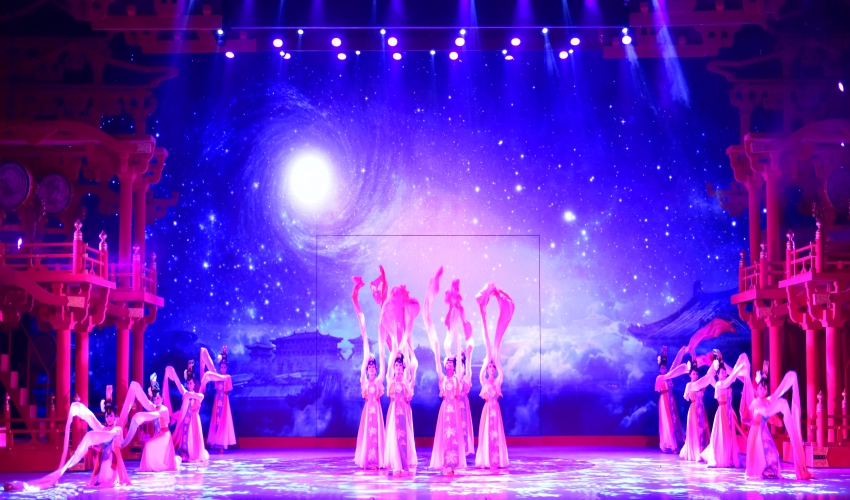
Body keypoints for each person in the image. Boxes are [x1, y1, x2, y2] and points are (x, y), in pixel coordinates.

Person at [3, 386, 131, 491]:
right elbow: (100, 445)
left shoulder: (117, 430)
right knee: (100, 473)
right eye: (107, 416)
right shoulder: (102, 429)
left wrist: (100, 437)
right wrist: (93, 446)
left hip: (112, 461)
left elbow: (115, 448)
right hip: (103, 460)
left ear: (115, 417)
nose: (109, 418)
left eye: (111, 416)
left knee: (106, 471)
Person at [745, 362, 813, 480]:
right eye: (760, 388)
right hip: (756, 432)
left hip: (764, 431)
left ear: (766, 390)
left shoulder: (768, 401)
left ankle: (769, 472)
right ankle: (762, 471)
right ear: (757, 389)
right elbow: (763, 413)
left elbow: (777, 395)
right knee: (762, 455)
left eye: (764, 388)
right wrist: (778, 405)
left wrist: (790, 380)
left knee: (774, 453)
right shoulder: (756, 402)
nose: (762, 390)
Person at [474, 282, 513, 469]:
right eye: (489, 367)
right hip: (486, 410)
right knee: (486, 434)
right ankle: (487, 460)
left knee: (496, 433)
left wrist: (495, 357)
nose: (490, 369)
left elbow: (500, 369)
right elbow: (482, 371)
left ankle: (496, 460)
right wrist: (487, 358)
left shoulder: (497, 381)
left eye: (492, 367)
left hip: (495, 410)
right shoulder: (484, 381)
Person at [352, 276, 386, 470]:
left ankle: (376, 461)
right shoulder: (364, 381)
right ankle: (368, 460)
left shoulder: (379, 381)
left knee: (376, 435)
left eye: (374, 368)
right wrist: (355, 299)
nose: (372, 369)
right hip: (368, 411)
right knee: (368, 434)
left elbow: (381, 350)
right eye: (370, 367)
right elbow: (364, 336)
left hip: (377, 412)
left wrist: (382, 307)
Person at [120, 375, 181, 471]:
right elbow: (147, 404)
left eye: (158, 398)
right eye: (155, 399)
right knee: (149, 444)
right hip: (159, 435)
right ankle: (152, 465)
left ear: (162, 399)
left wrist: (140, 417)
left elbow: (158, 422)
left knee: (148, 444)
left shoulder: (164, 410)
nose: (156, 400)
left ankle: (151, 466)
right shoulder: (154, 408)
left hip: (164, 436)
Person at [700, 350, 748, 468]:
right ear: (718, 374)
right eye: (722, 372)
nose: (724, 373)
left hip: (729, 412)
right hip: (721, 412)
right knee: (722, 436)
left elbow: (730, 380)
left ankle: (730, 458)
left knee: (730, 436)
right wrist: (738, 368)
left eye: (725, 372)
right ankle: (719, 458)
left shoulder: (727, 385)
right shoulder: (719, 384)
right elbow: (730, 379)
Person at [166, 361, 208, 464]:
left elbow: (201, 397)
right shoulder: (185, 393)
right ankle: (185, 454)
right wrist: (173, 373)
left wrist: (190, 395)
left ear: (194, 384)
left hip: (194, 419)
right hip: (186, 419)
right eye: (188, 383)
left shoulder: (198, 395)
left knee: (194, 436)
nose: (189, 385)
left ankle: (194, 454)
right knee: (186, 436)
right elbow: (178, 383)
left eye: (191, 383)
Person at [383, 348, 416, 476]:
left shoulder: (405, 382)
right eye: (396, 365)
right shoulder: (391, 381)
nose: (398, 367)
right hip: (393, 411)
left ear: (403, 368)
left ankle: (403, 462)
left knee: (403, 436)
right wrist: (395, 350)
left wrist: (405, 350)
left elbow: (408, 397)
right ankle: (396, 466)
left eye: (400, 365)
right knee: (394, 435)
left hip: (402, 411)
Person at [200, 346, 236, 452]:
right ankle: (216, 441)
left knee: (223, 421)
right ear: (220, 368)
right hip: (217, 400)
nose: (223, 369)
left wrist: (224, 355)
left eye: (224, 367)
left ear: (226, 368)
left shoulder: (227, 377)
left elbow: (227, 386)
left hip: (224, 400)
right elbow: (214, 380)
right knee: (216, 421)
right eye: (222, 367)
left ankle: (222, 443)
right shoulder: (217, 377)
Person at [655, 345, 687, 453]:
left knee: (673, 421)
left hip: (670, 399)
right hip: (664, 400)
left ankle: (674, 444)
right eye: (662, 368)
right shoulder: (660, 378)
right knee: (666, 422)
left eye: (665, 368)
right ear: (659, 369)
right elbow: (658, 389)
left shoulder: (669, 377)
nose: (664, 369)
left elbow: (673, 367)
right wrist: (664, 353)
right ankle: (665, 444)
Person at [679, 357, 711, 462]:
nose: (695, 376)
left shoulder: (701, 385)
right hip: (693, 410)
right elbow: (686, 397)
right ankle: (695, 453)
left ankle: (702, 452)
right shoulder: (689, 385)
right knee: (694, 432)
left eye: (696, 374)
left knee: (702, 430)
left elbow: (708, 378)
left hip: (701, 409)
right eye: (693, 374)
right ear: (690, 375)